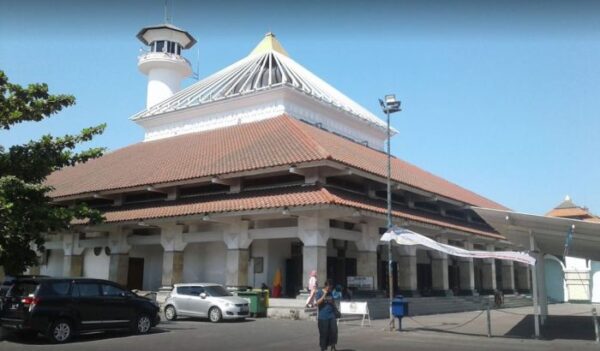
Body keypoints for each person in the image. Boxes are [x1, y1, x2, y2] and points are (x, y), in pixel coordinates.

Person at [316, 279, 338, 351]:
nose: (330, 289)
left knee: (334, 331)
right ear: (326, 286)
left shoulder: (330, 293)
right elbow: (317, 303)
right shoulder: (319, 292)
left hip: (331, 315)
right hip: (323, 317)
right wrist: (324, 294)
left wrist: (335, 307)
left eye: (331, 287)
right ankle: (323, 348)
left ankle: (333, 345)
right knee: (324, 333)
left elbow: (333, 302)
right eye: (329, 287)